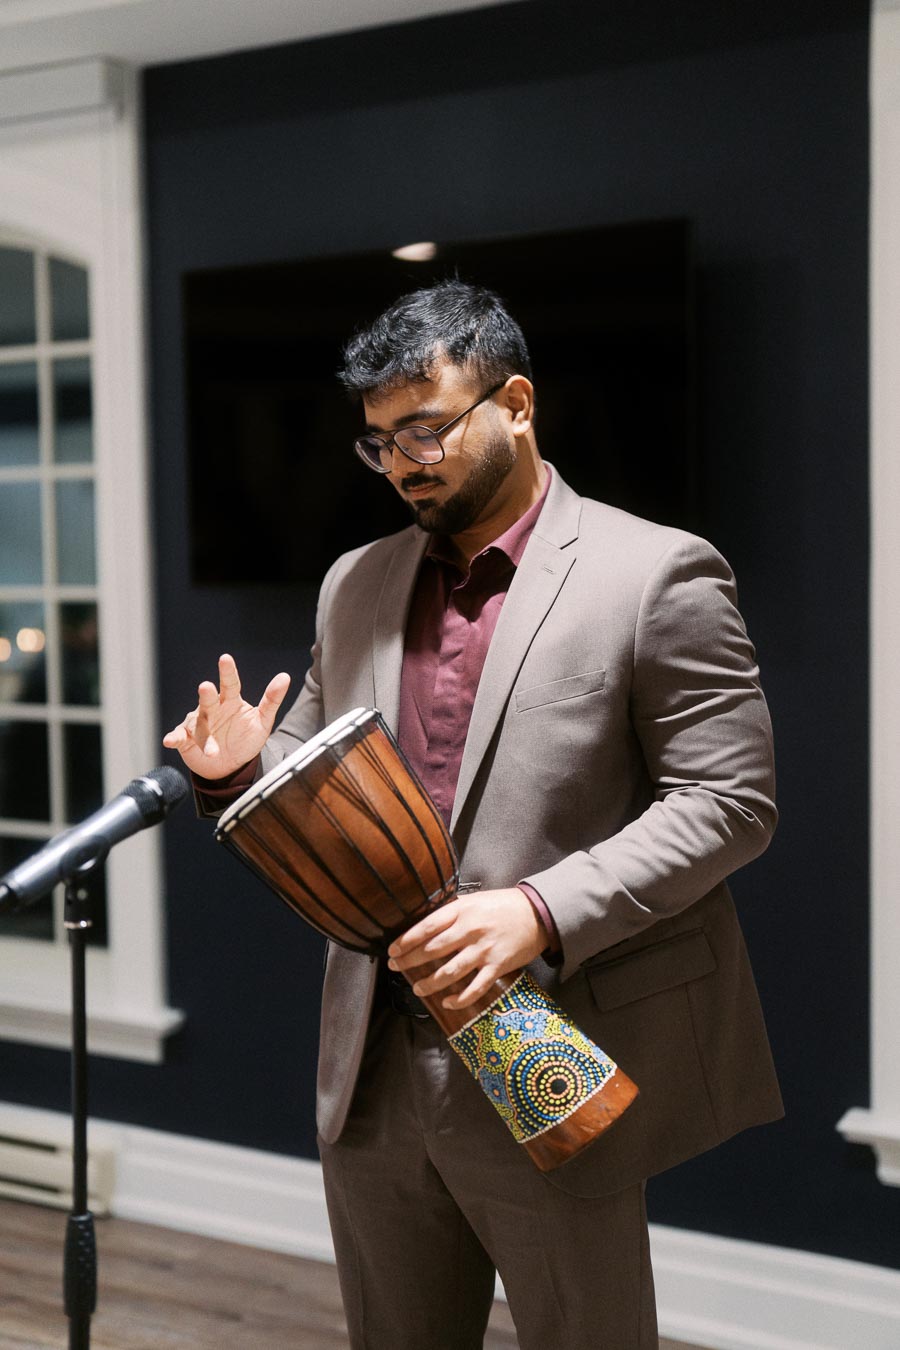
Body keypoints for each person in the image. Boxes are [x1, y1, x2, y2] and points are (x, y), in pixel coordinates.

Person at [164, 281, 783, 1350]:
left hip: (549, 1035)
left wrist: (540, 909)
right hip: (372, 1068)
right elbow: (312, 792)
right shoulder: (352, 584)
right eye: (378, 443)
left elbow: (731, 803)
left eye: (425, 428)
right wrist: (237, 779)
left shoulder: (656, 573)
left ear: (518, 403)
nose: (403, 461)